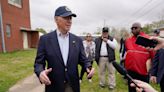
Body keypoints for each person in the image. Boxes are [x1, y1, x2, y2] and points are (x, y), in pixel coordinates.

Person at [34, 6, 94, 92]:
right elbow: (39, 63)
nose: (69, 21)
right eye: (66, 17)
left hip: (72, 86)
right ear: (56, 19)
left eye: (70, 18)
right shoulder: (45, 40)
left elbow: (83, 60)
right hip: (54, 85)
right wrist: (40, 73)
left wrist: (88, 67)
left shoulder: (77, 40)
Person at [124, 22, 155, 92]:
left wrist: (153, 72)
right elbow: (127, 53)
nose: (133, 29)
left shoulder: (148, 39)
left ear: (141, 29)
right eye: (132, 28)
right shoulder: (128, 40)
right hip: (130, 72)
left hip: (143, 72)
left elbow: (153, 56)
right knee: (131, 89)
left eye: (136, 28)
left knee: (143, 90)